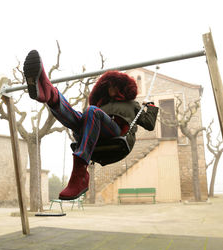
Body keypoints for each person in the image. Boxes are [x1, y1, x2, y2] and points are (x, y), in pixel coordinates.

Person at [23, 50, 159, 200]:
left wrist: (151, 107)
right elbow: (85, 119)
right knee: (81, 116)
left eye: (115, 86)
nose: (112, 89)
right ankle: (50, 95)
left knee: (91, 111)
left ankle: (79, 174)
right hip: (95, 134)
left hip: (117, 134)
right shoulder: (102, 105)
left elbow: (149, 124)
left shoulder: (132, 104)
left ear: (122, 87)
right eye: (109, 86)